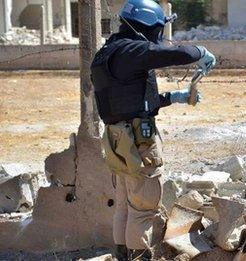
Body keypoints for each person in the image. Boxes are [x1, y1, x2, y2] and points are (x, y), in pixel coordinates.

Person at [90, 0, 216, 260]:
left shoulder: (109, 53)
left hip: (119, 141)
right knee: (144, 209)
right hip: (139, 142)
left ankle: (124, 255)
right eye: (158, 29)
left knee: (126, 205)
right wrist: (199, 51)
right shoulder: (130, 51)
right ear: (148, 26)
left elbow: (134, 102)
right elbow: (168, 53)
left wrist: (176, 97)